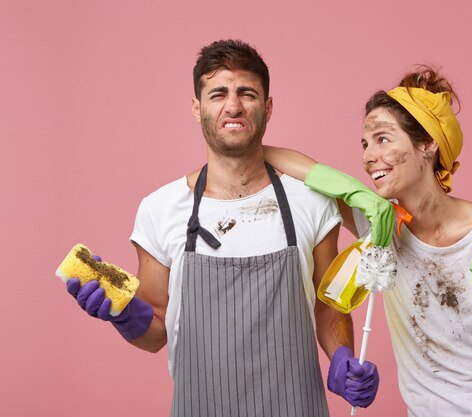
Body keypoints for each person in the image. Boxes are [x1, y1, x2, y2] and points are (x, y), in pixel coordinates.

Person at [63, 39, 382, 417]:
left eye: (247, 92)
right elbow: (156, 332)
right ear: (197, 108)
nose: (233, 105)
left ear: (268, 107)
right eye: (218, 94)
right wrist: (123, 315)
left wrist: (341, 356)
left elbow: (328, 305)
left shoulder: (310, 201)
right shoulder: (160, 209)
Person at [264, 65, 472, 417]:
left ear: (428, 145)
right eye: (365, 144)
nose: (369, 157)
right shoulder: (380, 228)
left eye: (383, 139)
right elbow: (277, 159)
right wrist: (353, 191)